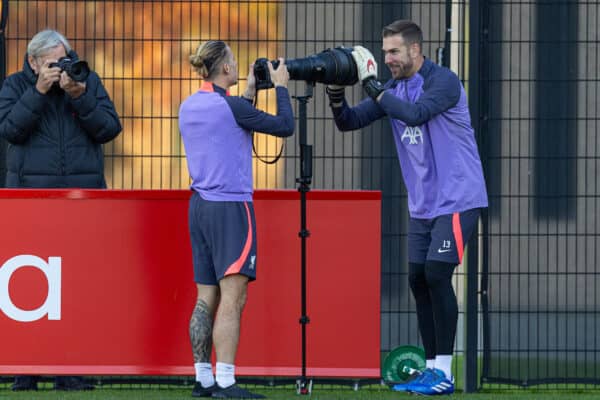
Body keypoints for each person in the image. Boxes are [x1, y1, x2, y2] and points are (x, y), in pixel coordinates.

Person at [326, 20, 488, 395]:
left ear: (415, 50)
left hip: (459, 197)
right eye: (384, 53)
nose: (388, 59)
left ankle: (445, 373)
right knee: (418, 280)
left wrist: (373, 87)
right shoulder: (394, 89)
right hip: (423, 206)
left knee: (435, 274)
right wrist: (337, 92)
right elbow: (348, 122)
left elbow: (415, 115)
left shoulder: (443, 82)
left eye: (394, 52)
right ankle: (431, 370)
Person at [0, 29, 122, 390]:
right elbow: (10, 130)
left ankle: (72, 370)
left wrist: (80, 96)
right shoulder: (14, 86)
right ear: (34, 62)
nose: (62, 68)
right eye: (54, 63)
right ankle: (26, 370)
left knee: (77, 283)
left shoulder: (86, 81)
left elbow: (110, 128)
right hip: (30, 201)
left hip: (80, 200)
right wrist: (38, 92)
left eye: (66, 59)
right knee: (29, 283)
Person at [178, 40, 294, 399]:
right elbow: (285, 126)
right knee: (233, 297)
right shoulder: (231, 108)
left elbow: (228, 120)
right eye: (233, 62)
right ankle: (227, 381)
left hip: (199, 207)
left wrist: (245, 93)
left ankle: (204, 379)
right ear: (226, 68)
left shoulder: (190, 106)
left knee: (205, 297)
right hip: (231, 208)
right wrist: (282, 87)